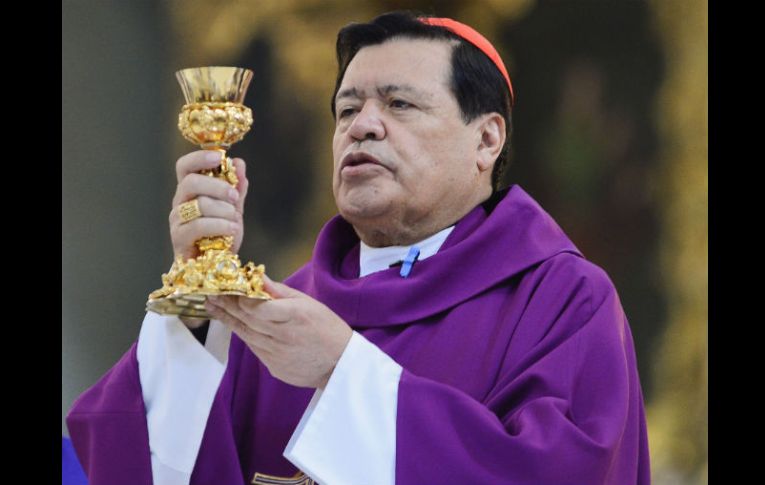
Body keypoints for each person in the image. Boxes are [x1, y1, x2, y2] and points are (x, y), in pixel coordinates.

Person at [66, 11, 650, 485]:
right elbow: (130, 457)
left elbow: (565, 473)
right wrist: (197, 304)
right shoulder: (276, 312)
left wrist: (341, 372)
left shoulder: (561, 298)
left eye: (400, 105)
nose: (362, 126)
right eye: (347, 109)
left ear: (487, 138)